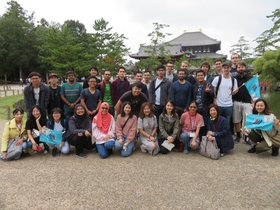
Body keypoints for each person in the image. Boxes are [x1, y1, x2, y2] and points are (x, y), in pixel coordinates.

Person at [232, 61, 252, 145]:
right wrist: (233, 92)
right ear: (236, 69)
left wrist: (254, 101)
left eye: (242, 67)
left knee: (247, 121)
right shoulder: (234, 79)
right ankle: (238, 135)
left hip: (247, 102)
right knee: (237, 120)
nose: (241, 69)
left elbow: (254, 91)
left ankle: (247, 137)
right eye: (239, 67)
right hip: (236, 101)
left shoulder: (250, 78)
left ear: (245, 68)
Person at [193, 70, 214, 136]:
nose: (200, 77)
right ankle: (198, 137)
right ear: (196, 77)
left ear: (204, 76)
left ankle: (204, 138)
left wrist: (208, 92)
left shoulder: (208, 85)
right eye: (198, 75)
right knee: (197, 124)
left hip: (205, 108)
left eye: (201, 75)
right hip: (196, 108)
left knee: (205, 124)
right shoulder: (194, 86)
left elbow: (212, 96)